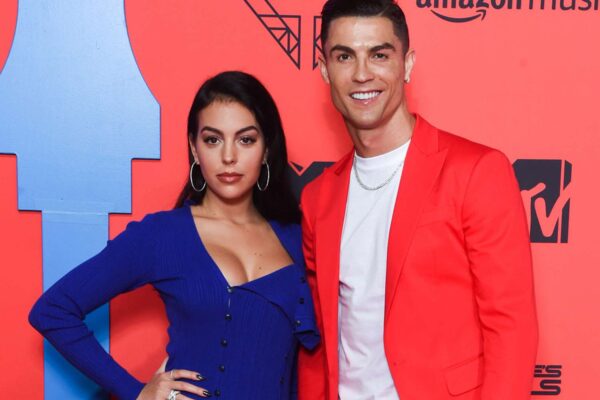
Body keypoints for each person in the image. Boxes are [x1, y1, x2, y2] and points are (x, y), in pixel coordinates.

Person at [297, 1, 538, 399]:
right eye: (344, 57)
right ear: (325, 70)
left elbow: (511, 327)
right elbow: (318, 339)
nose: (361, 73)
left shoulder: (476, 171)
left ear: (407, 65)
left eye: (379, 55)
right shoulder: (318, 197)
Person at [29, 71, 319, 400]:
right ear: (194, 148)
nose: (228, 156)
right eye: (213, 140)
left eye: (246, 140)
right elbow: (52, 310)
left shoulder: (298, 238)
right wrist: (136, 392)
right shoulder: (163, 236)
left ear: (266, 149)